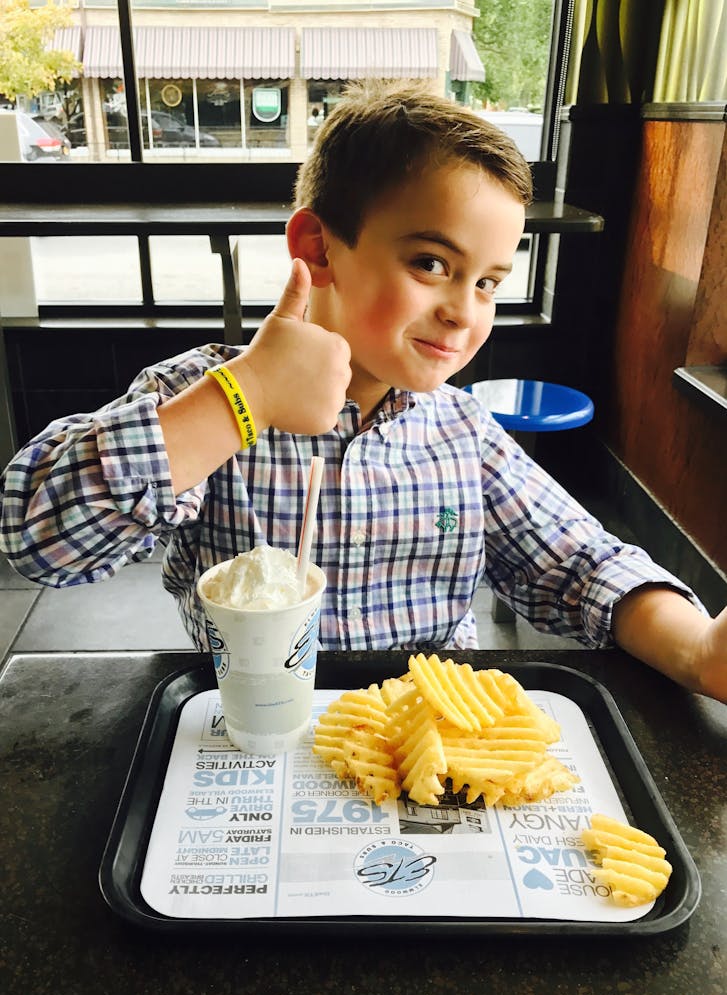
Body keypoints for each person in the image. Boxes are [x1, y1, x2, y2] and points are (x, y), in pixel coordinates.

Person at [0, 81, 725, 703]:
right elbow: (38, 540)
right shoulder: (199, 397)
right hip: (253, 723)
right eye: (430, 262)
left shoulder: (459, 431)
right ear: (317, 248)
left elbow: (578, 565)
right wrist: (244, 395)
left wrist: (696, 651)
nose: (462, 310)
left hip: (422, 739)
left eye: (487, 282)